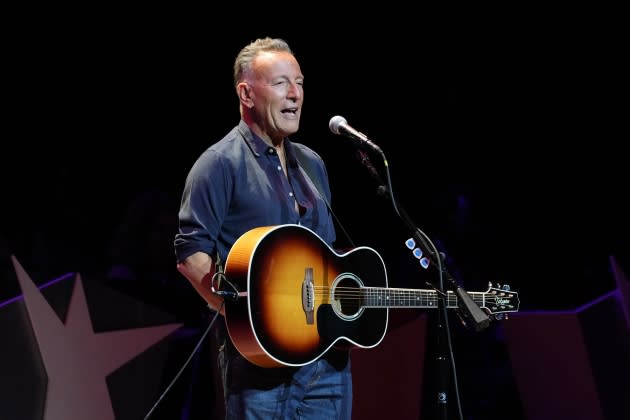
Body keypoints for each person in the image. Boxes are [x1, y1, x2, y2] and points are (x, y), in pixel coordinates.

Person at [173, 37, 352, 419]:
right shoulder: (218, 164)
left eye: (300, 82)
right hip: (258, 366)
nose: (295, 94)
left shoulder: (313, 164)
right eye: (280, 83)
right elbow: (191, 255)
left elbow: (329, 258)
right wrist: (247, 320)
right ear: (246, 93)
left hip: (324, 362)